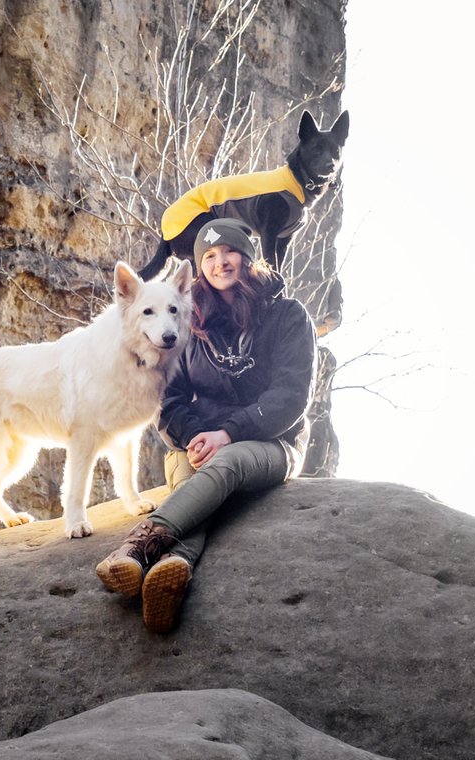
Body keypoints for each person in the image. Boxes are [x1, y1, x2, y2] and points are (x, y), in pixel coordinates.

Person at [95, 218, 317, 633]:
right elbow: (168, 401)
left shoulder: (287, 316)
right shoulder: (186, 323)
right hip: (201, 443)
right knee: (189, 479)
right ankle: (171, 572)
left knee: (226, 464)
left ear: (248, 257)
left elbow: (291, 396)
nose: (220, 262)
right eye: (209, 257)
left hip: (271, 442)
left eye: (229, 251)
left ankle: (137, 547)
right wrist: (194, 437)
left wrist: (228, 432)